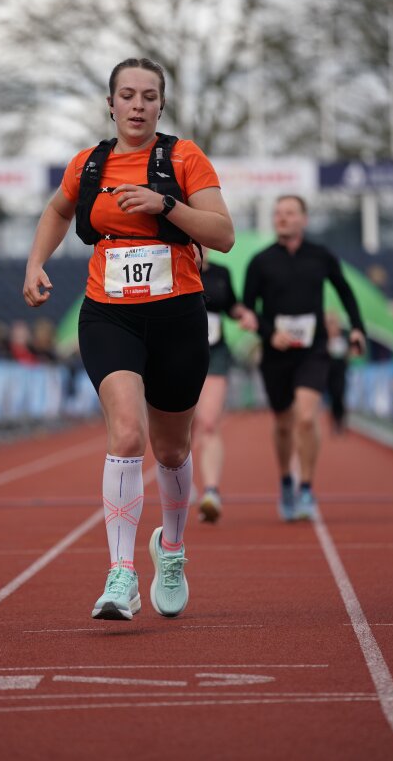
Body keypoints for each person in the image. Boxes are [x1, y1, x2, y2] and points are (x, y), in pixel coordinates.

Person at [23, 57, 234, 621]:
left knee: (172, 449)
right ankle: (121, 574)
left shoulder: (183, 158)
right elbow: (57, 210)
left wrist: (165, 204)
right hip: (108, 314)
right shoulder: (88, 164)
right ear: (110, 103)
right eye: (127, 95)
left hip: (177, 317)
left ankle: (171, 548)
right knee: (125, 432)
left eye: (148, 96)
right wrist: (36, 263)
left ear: (161, 104)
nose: (137, 105)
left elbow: (224, 235)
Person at [242, 195, 366, 522]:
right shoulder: (261, 261)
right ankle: (286, 481)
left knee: (307, 418)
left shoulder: (320, 255)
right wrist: (269, 333)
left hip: (314, 349)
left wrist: (357, 328)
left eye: (289, 213)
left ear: (304, 219)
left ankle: (307, 488)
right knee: (283, 423)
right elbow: (248, 309)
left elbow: (345, 291)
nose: (282, 218)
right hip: (276, 353)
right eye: (278, 213)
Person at [191, 247, 257, 523]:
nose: (200, 246)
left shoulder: (221, 273)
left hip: (215, 352)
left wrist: (244, 314)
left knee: (208, 422)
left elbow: (231, 305)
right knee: (182, 428)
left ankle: (211, 492)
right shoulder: (171, 266)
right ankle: (182, 482)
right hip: (178, 352)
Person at [324, 311, 350, 433]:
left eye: (333, 324)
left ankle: (340, 420)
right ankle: (333, 421)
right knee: (331, 398)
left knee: (339, 396)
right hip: (328, 376)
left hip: (340, 376)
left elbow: (348, 358)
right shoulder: (323, 342)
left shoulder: (343, 341)